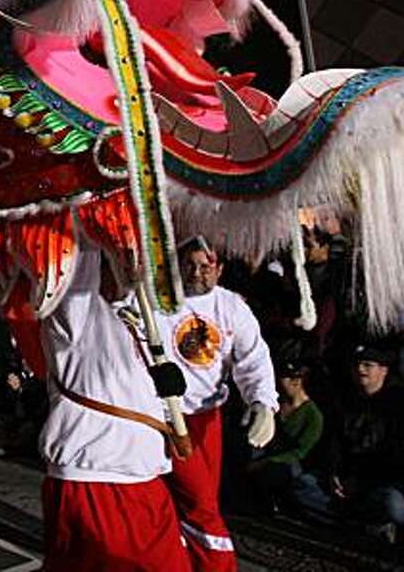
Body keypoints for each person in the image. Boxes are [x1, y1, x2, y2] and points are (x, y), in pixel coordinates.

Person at [39, 244, 190, 572]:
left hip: (146, 479)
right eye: (117, 257)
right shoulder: (73, 315)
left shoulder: (136, 314)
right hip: (96, 483)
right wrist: (93, 214)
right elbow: (72, 262)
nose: (129, 266)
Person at [158, 236, 277, 572]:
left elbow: (253, 359)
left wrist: (263, 401)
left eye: (205, 266)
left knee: (203, 500)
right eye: (190, 265)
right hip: (169, 419)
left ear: (219, 269)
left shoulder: (231, 307)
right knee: (200, 505)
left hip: (209, 418)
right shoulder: (159, 302)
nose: (197, 273)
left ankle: (182, 560)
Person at [302, 343, 404, 543]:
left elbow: (397, 451)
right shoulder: (344, 400)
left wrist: (360, 480)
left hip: (384, 479)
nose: (360, 370)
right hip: (347, 478)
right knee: (304, 484)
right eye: (356, 365)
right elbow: (332, 441)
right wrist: (334, 473)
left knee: (392, 505)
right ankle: (352, 521)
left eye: (367, 365)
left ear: (383, 370)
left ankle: (365, 521)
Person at [247, 359, 324, 511]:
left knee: (277, 471)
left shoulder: (312, 415)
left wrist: (267, 461)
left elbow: (301, 452)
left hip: (291, 463)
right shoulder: (276, 403)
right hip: (265, 453)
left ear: (297, 381)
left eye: (285, 378)